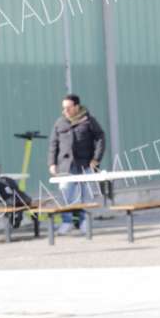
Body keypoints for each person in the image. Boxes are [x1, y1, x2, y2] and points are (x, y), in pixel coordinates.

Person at [48, 94, 105, 234]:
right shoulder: (60, 122)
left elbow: (100, 138)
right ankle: (67, 222)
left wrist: (96, 159)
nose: (65, 111)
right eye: (63, 108)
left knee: (86, 195)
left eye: (68, 107)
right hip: (65, 166)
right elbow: (53, 144)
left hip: (86, 164)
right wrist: (52, 163)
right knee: (65, 194)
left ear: (77, 107)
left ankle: (84, 221)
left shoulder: (89, 120)